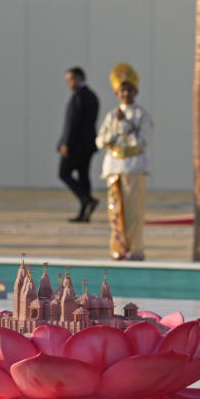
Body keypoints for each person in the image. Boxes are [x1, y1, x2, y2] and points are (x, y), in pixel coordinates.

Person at [95, 63, 154, 261]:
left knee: (134, 213)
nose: (126, 93)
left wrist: (126, 127)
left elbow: (142, 142)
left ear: (135, 91)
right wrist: (114, 131)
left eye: (129, 89)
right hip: (114, 168)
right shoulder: (111, 116)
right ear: (116, 92)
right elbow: (100, 140)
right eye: (122, 90)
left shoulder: (141, 115)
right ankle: (119, 248)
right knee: (115, 211)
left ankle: (136, 249)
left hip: (134, 167)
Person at [58, 67, 100, 222]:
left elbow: (73, 123)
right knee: (83, 176)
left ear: (79, 78)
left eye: (70, 79)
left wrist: (66, 143)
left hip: (75, 145)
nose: (69, 83)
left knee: (63, 173)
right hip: (88, 145)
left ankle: (87, 199)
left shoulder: (79, 97)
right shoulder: (92, 96)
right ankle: (85, 212)